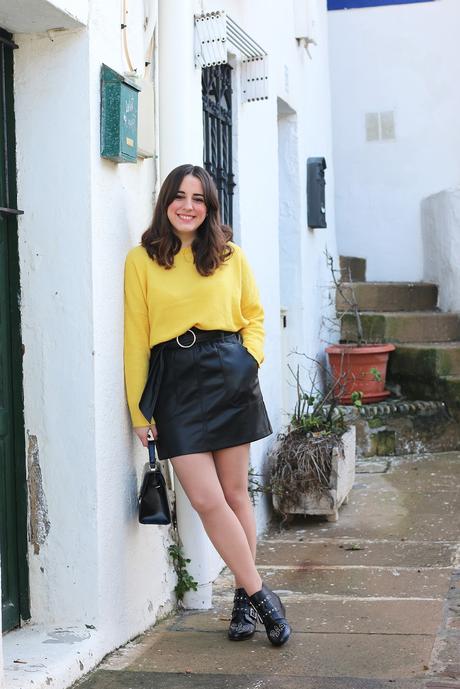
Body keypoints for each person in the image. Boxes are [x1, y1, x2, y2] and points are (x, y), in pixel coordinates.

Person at [124, 163, 291, 647]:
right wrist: (140, 412)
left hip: (227, 372)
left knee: (236, 493)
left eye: (198, 198)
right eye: (179, 196)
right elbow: (136, 338)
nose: (188, 206)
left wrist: (249, 360)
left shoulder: (229, 255)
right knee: (203, 497)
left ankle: (242, 602)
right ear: (165, 202)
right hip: (172, 382)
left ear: (209, 206)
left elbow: (254, 317)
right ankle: (263, 597)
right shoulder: (142, 260)